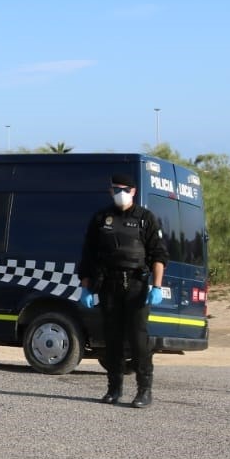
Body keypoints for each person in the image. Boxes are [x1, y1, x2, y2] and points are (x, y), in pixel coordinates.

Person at [78, 172, 168, 409]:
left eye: (124, 189)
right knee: (112, 340)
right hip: (108, 285)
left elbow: (159, 255)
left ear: (133, 191)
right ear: (110, 190)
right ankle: (113, 389)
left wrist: (157, 287)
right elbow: (88, 256)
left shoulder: (146, 218)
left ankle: (144, 390)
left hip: (136, 286)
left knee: (139, 341)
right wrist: (86, 288)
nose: (120, 193)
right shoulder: (101, 218)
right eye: (115, 189)